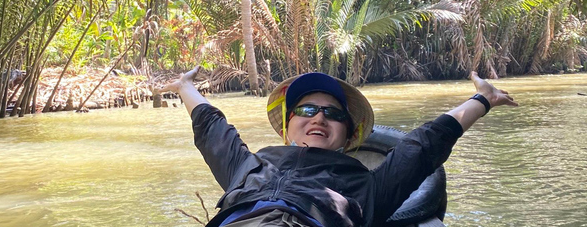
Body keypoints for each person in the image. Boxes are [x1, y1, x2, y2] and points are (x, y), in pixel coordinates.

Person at [158, 67, 518, 227]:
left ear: (348, 136)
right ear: (288, 126)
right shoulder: (249, 166)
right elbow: (213, 131)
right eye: (306, 109)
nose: (318, 118)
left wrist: (482, 100)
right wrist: (185, 88)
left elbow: (421, 147)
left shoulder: (367, 186)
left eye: (332, 114)